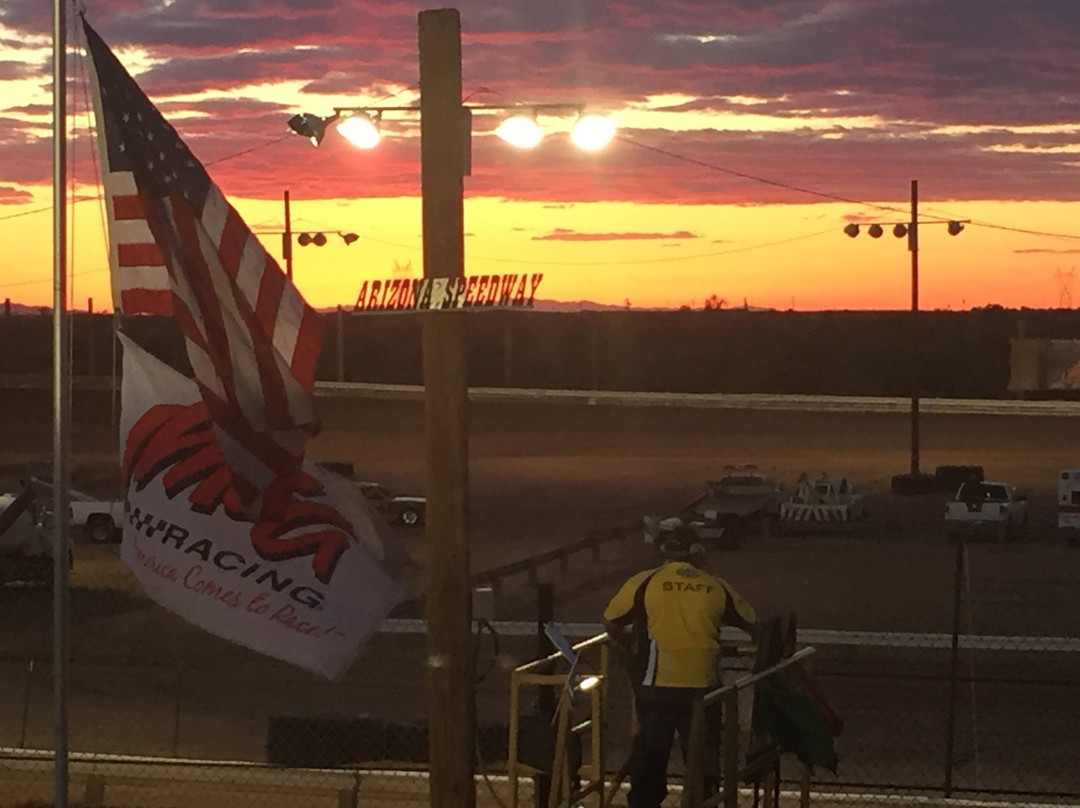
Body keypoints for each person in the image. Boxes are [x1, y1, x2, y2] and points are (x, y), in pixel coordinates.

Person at [602, 524, 757, 808]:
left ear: (662, 551)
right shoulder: (716, 585)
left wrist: (631, 644)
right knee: (704, 758)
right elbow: (752, 623)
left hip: (657, 687)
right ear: (696, 550)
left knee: (650, 757)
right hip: (704, 688)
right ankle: (705, 800)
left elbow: (612, 621)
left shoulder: (644, 582)